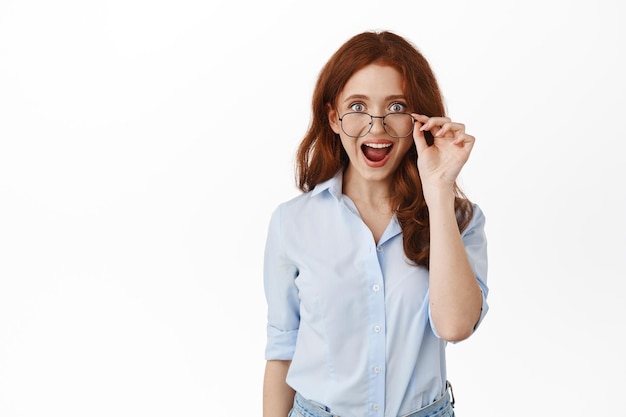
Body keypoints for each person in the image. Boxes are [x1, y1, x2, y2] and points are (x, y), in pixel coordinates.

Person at [262, 30, 489, 417]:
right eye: (357, 107)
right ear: (333, 118)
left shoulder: (458, 218)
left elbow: (455, 326)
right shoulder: (292, 223)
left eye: (397, 106)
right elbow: (283, 350)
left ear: (420, 119)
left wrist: (438, 188)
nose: (376, 127)